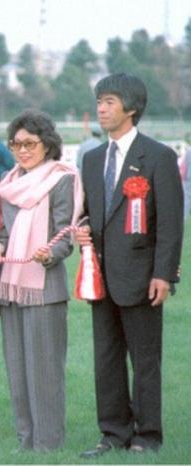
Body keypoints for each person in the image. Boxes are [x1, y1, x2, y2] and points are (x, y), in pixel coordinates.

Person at [76, 73, 184, 458]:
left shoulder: (157, 156)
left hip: (142, 277)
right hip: (100, 278)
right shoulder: (91, 160)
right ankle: (113, 432)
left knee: (145, 360)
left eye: (108, 102)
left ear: (131, 108)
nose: (101, 109)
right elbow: (91, 215)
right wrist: (81, 232)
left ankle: (148, 434)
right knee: (105, 359)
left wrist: (164, 274)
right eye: (99, 101)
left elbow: (171, 223)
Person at [0, 110, 83, 451]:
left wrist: (50, 253)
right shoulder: (9, 182)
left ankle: (48, 444)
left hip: (44, 288)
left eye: (30, 143)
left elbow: (65, 232)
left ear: (47, 144)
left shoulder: (62, 179)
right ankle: (26, 442)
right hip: (10, 287)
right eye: (16, 143)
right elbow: (3, 231)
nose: (22, 150)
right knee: (17, 370)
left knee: (44, 373)